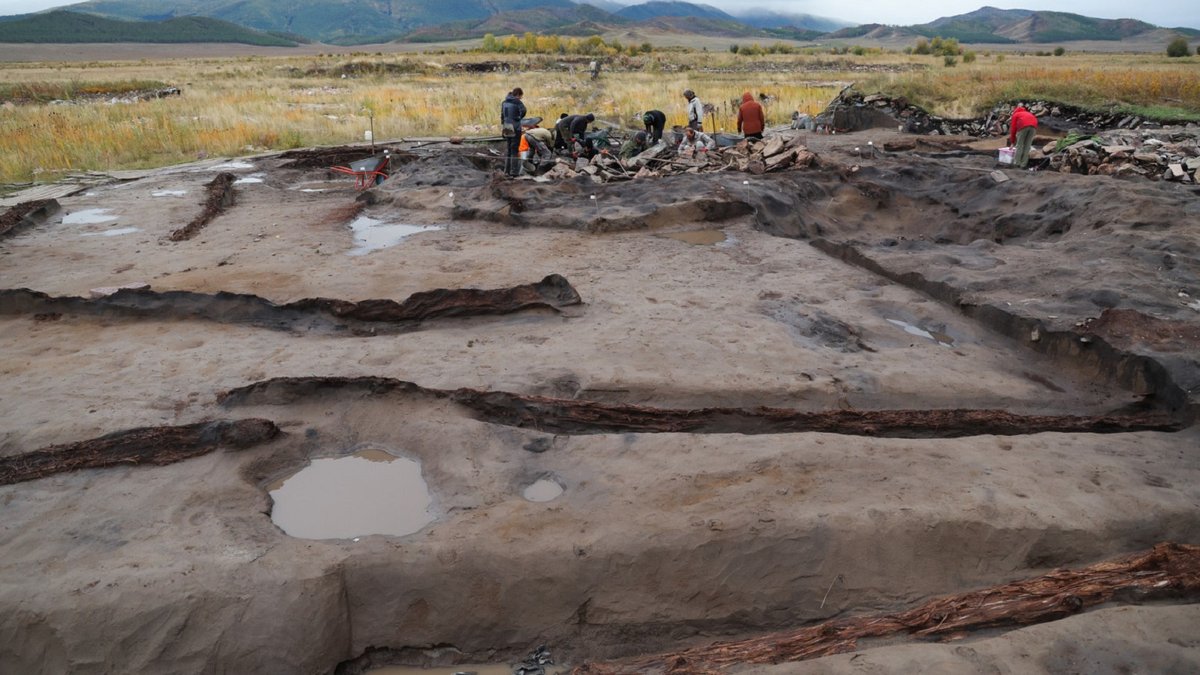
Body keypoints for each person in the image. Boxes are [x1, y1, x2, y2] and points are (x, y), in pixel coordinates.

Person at [500, 88, 526, 177]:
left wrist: (503, 126)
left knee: (509, 149)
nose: (521, 98)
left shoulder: (504, 102)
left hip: (507, 125)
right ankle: (514, 172)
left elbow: (502, 116)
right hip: (515, 126)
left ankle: (506, 171)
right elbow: (524, 111)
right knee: (514, 149)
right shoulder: (517, 102)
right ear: (518, 94)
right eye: (521, 96)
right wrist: (518, 118)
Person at [1008, 103, 1038, 169]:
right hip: (1034, 126)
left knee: (1019, 145)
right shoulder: (1027, 113)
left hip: (1023, 126)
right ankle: (1023, 164)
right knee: (1027, 145)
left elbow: (1013, 129)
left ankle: (1017, 163)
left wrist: (1012, 142)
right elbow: (1034, 120)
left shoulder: (1016, 114)